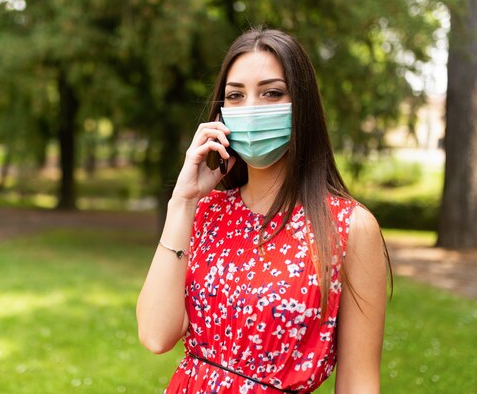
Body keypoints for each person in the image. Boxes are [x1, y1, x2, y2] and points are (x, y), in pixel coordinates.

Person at [136, 27, 390, 393]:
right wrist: (183, 201)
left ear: (301, 104)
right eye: (236, 96)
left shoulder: (349, 227)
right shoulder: (206, 212)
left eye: (272, 93)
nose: (251, 109)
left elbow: (359, 381)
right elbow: (156, 335)